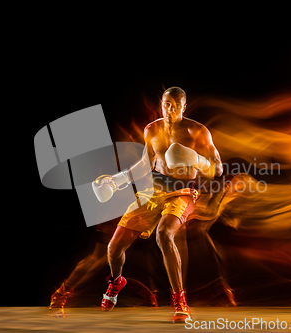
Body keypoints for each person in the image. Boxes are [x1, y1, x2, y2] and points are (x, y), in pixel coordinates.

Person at [92, 86, 223, 323]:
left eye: (174, 104)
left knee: (164, 234)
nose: (169, 109)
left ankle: (180, 302)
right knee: (114, 248)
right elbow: (146, 165)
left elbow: (218, 168)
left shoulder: (198, 131)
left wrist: (196, 159)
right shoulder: (152, 129)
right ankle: (116, 281)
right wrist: (116, 181)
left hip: (182, 192)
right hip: (153, 190)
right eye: (166, 104)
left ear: (184, 106)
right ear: (161, 104)